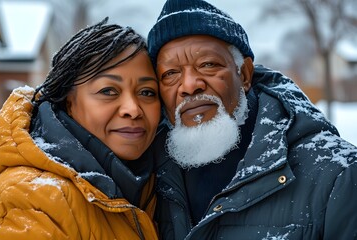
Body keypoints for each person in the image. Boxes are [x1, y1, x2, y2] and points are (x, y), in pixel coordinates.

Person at [147, 0, 357, 239]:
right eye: (170, 74)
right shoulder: (148, 179)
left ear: (245, 74)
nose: (189, 85)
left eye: (207, 65)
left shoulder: (337, 174)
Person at [0, 18, 161, 240]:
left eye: (147, 92)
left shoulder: (152, 186)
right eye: (108, 91)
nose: (133, 109)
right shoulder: (32, 200)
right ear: (68, 101)